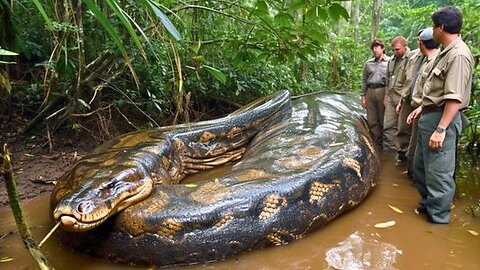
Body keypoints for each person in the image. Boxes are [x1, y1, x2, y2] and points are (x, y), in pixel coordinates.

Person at [406, 6, 474, 224]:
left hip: (441, 119)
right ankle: (427, 207)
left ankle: (438, 221)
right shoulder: (445, 52)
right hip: (430, 114)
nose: (432, 30)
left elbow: (454, 97)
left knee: (439, 174)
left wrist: (441, 129)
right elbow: (436, 90)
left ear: (441, 28)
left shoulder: (459, 54)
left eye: (433, 26)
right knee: (420, 169)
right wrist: (421, 107)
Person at [402, 28, 439, 178]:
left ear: (422, 43)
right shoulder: (423, 60)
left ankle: (416, 179)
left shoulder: (436, 60)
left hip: (428, 111)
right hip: (419, 108)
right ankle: (414, 178)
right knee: (415, 147)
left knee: (419, 149)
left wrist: (422, 107)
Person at [384, 36, 410, 157]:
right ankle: (390, 154)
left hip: (403, 97)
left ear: (405, 46)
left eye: (398, 49)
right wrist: (386, 95)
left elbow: (410, 81)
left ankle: (404, 154)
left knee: (402, 128)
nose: (395, 52)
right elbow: (388, 78)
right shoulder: (392, 60)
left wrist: (403, 98)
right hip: (391, 95)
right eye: (393, 50)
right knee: (388, 126)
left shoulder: (412, 58)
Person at [361, 39, 389, 148]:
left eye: (377, 47)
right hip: (370, 91)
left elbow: (390, 81)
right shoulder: (368, 63)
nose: (375, 50)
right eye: (373, 48)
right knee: (372, 119)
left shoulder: (389, 62)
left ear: (382, 48)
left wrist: (387, 95)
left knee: (383, 119)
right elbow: (364, 79)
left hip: (382, 90)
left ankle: (385, 145)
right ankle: (376, 144)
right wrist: (363, 96)